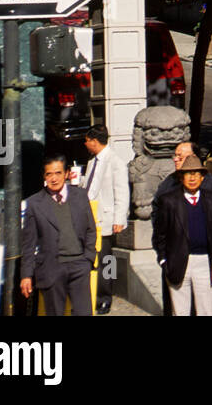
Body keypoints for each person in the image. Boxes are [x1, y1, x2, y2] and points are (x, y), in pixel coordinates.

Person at [152, 154, 212, 316]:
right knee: (180, 311)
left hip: (204, 260)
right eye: (188, 174)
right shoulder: (169, 201)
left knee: (206, 310)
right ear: (181, 177)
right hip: (177, 261)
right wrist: (163, 260)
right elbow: (160, 235)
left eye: (196, 174)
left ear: (202, 178)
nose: (192, 178)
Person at [20, 154, 98, 316]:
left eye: (58, 173)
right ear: (44, 176)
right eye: (49, 174)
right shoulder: (34, 203)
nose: (54, 178)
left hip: (79, 265)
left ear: (67, 174)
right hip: (51, 268)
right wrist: (26, 275)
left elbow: (91, 229)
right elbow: (29, 243)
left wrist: (88, 258)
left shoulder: (80, 196)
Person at [82, 126, 129, 314]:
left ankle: (105, 296)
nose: (85, 145)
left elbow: (122, 192)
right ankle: (94, 294)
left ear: (94, 141)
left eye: (86, 141)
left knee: (106, 261)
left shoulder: (115, 161)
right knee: (94, 260)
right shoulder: (92, 162)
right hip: (91, 217)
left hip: (107, 219)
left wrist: (119, 218)